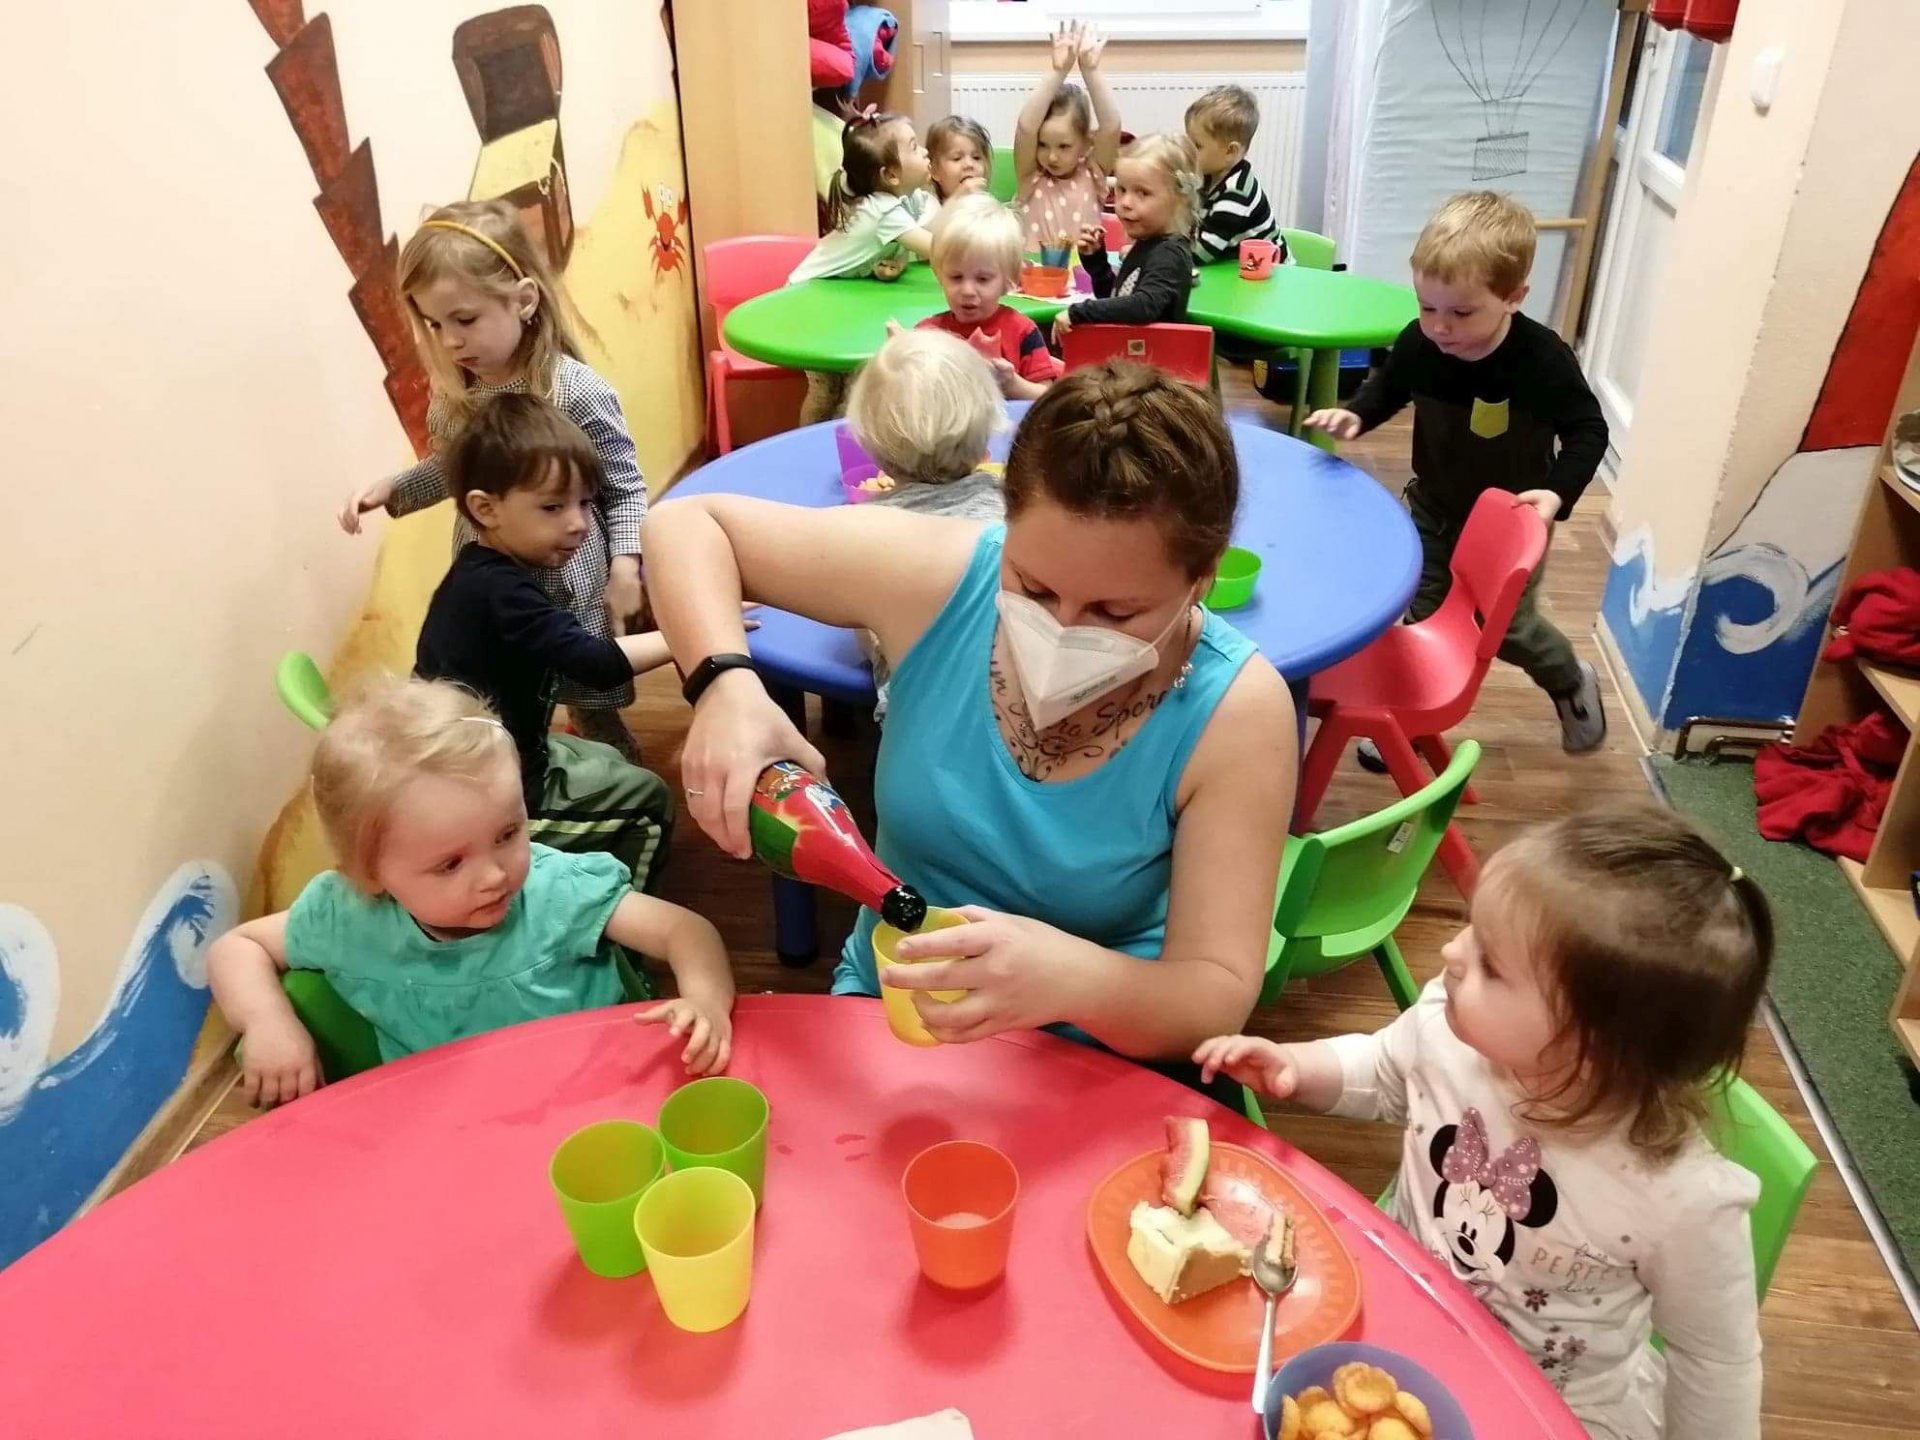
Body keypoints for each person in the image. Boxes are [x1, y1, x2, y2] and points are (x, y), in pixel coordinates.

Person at [644, 363, 1295, 1091]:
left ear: (1202, 578)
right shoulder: (941, 580)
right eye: (1032, 587)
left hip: (1098, 1052)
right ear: (1004, 526)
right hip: (897, 1014)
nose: (1061, 630)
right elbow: (686, 524)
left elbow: (1212, 998)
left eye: (1116, 613)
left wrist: (1073, 982)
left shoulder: (1236, 712)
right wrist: (724, 685)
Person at [1196, 803, 1772, 1440]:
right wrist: (1297, 1067)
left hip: (1551, 1406)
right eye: (1472, 928)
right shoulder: (1449, 1033)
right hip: (1397, 1306)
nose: (1451, 952)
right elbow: (1383, 1070)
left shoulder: (1682, 1200)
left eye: (1491, 964)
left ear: (1592, 1047)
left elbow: (1716, 1363)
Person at [207, 679, 739, 1107]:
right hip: (456, 1128)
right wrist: (268, 1023)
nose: (493, 875)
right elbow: (238, 947)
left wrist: (705, 1001)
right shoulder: (346, 914)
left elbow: (684, 930)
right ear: (369, 875)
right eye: (450, 863)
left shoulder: (552, 889)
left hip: (604, 1098)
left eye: (507, 833)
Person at [337, 199, 646, 763]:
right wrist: (395, 488)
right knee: (506, 701)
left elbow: (624, 486)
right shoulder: (457, 395)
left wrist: (626, 564)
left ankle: (616, 779)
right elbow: (453, 469)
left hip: (570, 578)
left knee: (587, 694)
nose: (450, 341)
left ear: (523, 300)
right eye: (435, 324)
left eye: (465, 319)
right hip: (493, 578)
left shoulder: (577, 391)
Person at [1304, 190, 1610, 755]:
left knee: (1505, 629)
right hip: (1435, 509)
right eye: (1428, 307)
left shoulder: (1541, 359)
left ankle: (1570, 679)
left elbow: (1589, 430)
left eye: (1461, 313)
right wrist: (1357, 414)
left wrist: (1555, 494)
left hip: (1512, 522)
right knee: (1425, 616)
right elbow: (1390, 387)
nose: (1439, 327)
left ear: (1514, 297)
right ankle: (1408, 721)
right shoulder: (1420, 342)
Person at [414, 394, 691, 893]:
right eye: (552, 507)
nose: (579, 523)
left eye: (585, 502)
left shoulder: (486, 572)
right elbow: (597, 663)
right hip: (491, 790)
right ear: (485, 509)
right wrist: (690, 630)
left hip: (496, 754)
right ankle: (608, 921)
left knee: (610, 761)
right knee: (650, 800)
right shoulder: (500, 592)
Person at [844, 328, 1008, 718]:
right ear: (984, 443)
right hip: (1015, 711)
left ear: (873, 449)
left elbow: (867, 639)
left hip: (916, 723)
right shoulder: (1014, 503)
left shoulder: (862, 528)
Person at [790, 109, 939, 425]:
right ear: (890, 175)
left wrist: (897, 261)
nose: (926, 152)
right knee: (827, 391)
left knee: (846, 387)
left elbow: (910, 243)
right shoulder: (885, 210)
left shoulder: (904, 200)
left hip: (835, 301)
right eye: (914, 147)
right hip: (808, 301)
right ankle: (814, 442)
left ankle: (838, 442)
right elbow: (938, 250)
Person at [1051, 134, 1202, 346]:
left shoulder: (1169, 253)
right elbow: (1116, 299)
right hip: (1125, 357)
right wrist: (1096, 262)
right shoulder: (1147, 244)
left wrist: (1079, 312)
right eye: (1121, 189)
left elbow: (1143, 306)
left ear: (1179, 199)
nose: (1125, 203)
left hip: (1149, 363)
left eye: (1143, 193)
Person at [912, 193, 1061, 401]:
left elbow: (1046, 396)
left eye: (982, 279)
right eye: (956, 277)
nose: (967, 290)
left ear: (1009, 281)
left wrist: (1012, 384)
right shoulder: (926, 334)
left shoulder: (1022, 331)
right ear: (939, 275)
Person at [1013, 21, 1121, 253]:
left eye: (1064, 146)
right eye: (1043, 145)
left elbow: (1111, 128)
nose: (1052, 157)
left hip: (1083, 273)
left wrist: (1091, 71)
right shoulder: (1031, 175)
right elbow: (1026, 127)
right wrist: (1058, 71)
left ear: (1086, 144)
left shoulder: (1094, 173)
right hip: (1033, 272)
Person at [1183, 84, 1282, 265]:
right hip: (1231, 269)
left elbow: (1201, 254)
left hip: (1269, 273)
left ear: (1230, 151)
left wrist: (1162, 255)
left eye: (1197, 146)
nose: (1188, 151)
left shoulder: (1236, 193)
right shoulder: (1209, 175)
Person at [927, 114, 993, 203]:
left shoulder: (986, 203)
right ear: (935, 171)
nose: (969, 164)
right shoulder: (931, 205)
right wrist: (956, 198)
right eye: (957, 158)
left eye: (976, 158)